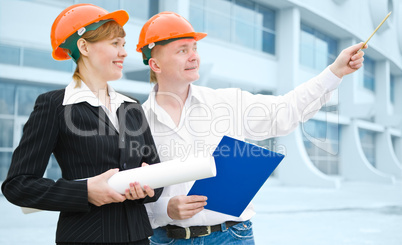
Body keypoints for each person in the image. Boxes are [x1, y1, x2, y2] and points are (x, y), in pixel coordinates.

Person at [136, 11, 366, 245]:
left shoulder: (227, 102)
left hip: (232, 236)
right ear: (155, 64)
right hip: (168, 239)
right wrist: (166, 210)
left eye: (194, 48)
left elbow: (286, 111)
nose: (194, 57)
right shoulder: (135, 121)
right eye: (182, 50)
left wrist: (334, 72)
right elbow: (127, 193)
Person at [1, 4, 162, 245]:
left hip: (138, 238)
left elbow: (155, 172)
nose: (124, 53)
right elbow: (18, 185)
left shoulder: (132, 106)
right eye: (114, 44)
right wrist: (84, 192)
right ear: (84, 46)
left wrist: (147, 190)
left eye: (123, 45)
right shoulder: (55, 105)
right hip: (87, 237)